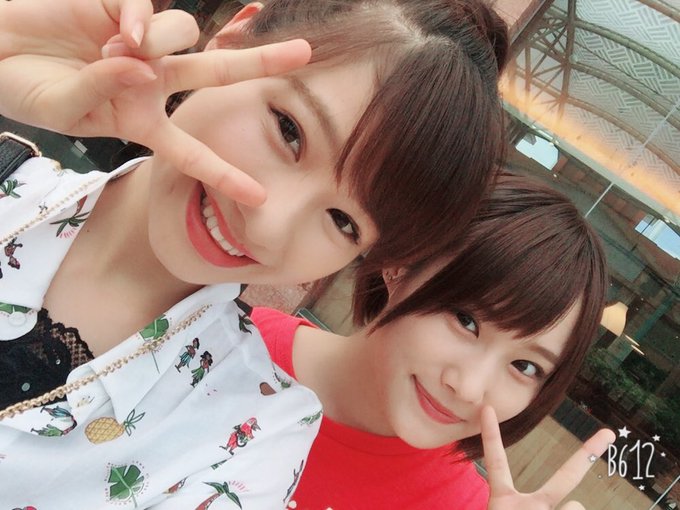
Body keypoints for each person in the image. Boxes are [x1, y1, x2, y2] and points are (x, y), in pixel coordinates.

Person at [0, 0, 510, 507]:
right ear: (235, 37)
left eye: (343, 222)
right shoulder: (11, 179)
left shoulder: (250, 440)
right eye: (289, 131)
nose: (269, 224)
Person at [250, 174, 616, 510]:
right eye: (466, 321)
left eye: (525, 367)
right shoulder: (234, 348)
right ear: (400, 265)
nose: (469, 388)